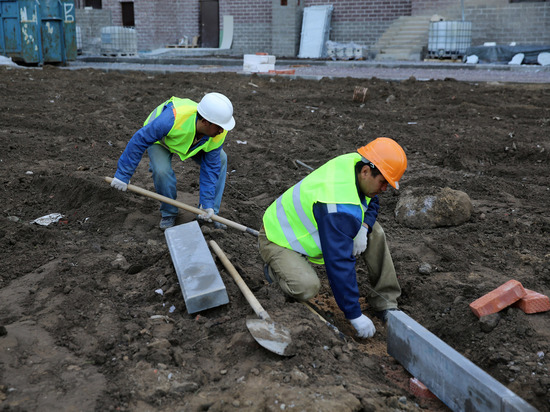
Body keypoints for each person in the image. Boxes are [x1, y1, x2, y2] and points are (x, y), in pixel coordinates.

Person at [259, 137, 407, 339]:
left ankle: (386, 302)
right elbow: (339, 263)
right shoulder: (338, 206)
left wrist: (364, 227)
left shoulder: (358, 164)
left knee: (376, 233)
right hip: (280, 239)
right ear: (366, 172)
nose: (384, 189)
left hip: (317, 227)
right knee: (306, 287)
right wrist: (354, 315)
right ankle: (276, 272)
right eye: (383, 182)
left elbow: (372, 201)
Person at [110, 92, 236, 230]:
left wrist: (207, 203)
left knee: (221, 159)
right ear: (205, 122)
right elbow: (139, 140)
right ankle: (169, 212)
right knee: (161, 171)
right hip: (161, 141)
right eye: (219, 126)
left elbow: (211, 168)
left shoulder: (218, 132)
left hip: (193, 144)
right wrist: (123, 174)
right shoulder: (172, 118)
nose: (222, 130)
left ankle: (210, 213)